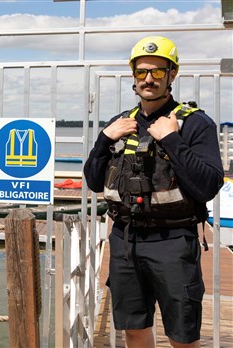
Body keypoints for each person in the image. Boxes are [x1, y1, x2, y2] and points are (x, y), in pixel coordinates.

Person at [84, 36, 224, 348]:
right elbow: (94, 181)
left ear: (172, 74)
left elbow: (209, 185)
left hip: (173, 241)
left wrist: (173, 140)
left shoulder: (195, 124)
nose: (149, 79)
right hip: (124, 238)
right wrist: (104, 139)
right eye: (142, 72)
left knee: (182, 336)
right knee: (134, 329)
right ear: (133, 76)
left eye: (158, 72)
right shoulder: (120, 123)